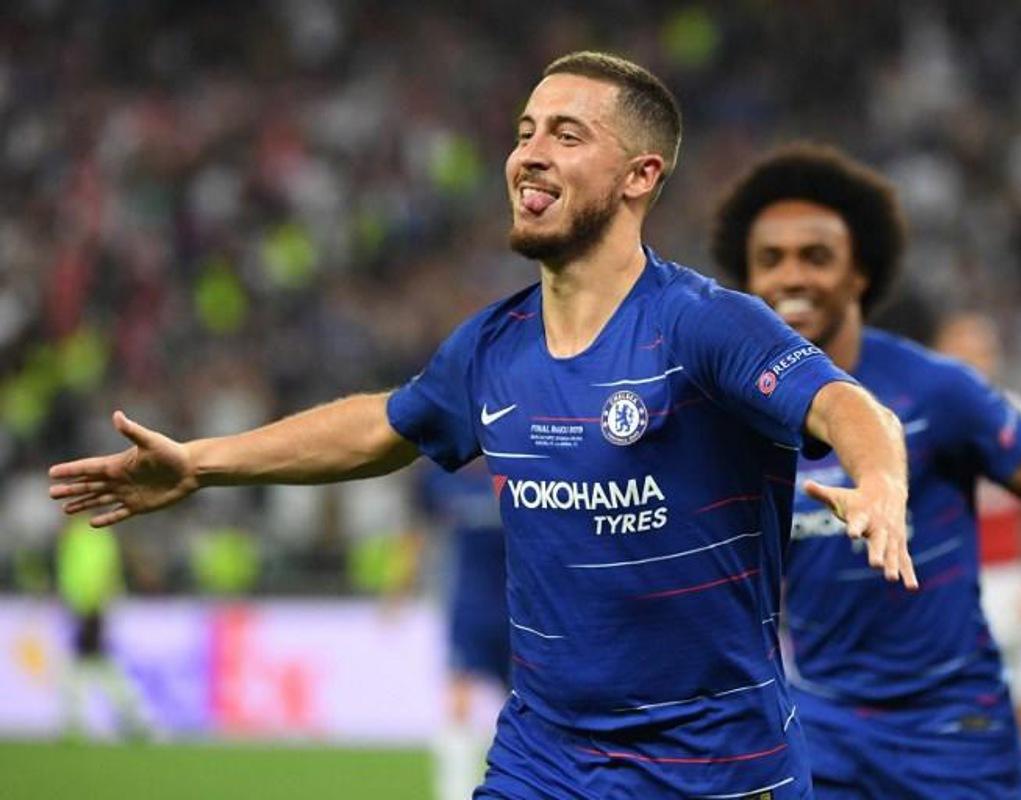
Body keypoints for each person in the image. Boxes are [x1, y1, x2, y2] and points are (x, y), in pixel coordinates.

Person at [50, 53, 916, 799]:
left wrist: (878, 477)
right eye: (526, 130)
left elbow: (844, 404)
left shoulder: (703, 325)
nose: (530, 155)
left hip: (720, 770)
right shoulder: (491, 348)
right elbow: (381, 428)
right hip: (546, 761)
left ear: (640, 176)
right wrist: (202, 463)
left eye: (567, 136)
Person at [712, 141, 1021, 798]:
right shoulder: (743, 411)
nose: (791, 276)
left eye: (816, 256)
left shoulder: (936, 390)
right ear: (748, 281)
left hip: (951, 728)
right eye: (770, 260)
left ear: (860, 272)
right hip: (822, 723)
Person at [935, 311, 1021, 800]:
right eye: (960, 350)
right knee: (959, 721)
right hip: (955, 585)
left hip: (1016, 582)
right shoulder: (921, 417)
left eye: (979, 351)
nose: (971, 362)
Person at [418, 461, 511, 800]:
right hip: (467, 608)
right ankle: (454, 792)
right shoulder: (439, 478)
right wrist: (399, 588)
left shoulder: (520, 467)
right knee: (458, 697)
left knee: (522, 704)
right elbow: (419, 531)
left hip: (518, 611)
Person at [56, 516, 148, 740]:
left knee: (89, 662)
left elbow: (91, 573)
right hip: (88, 607)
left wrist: (90, 605)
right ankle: (129, 716)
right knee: (92, 662)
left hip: (91, 608)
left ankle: (126, 716)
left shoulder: (85, 535)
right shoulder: (93, 535)